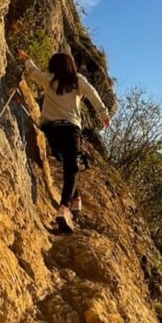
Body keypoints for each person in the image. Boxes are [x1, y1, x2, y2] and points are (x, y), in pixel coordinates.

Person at [18, 48, 110, 232]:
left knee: (65, 161)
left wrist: (27, 58)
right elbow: (93, 95)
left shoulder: (48, 79)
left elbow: (32, 71)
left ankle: (75, 200)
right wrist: (104, 114)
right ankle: (64, 208)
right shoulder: (77, 80)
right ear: (71, 66)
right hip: (71, 129)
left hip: (51, 129)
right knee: (72, 167)